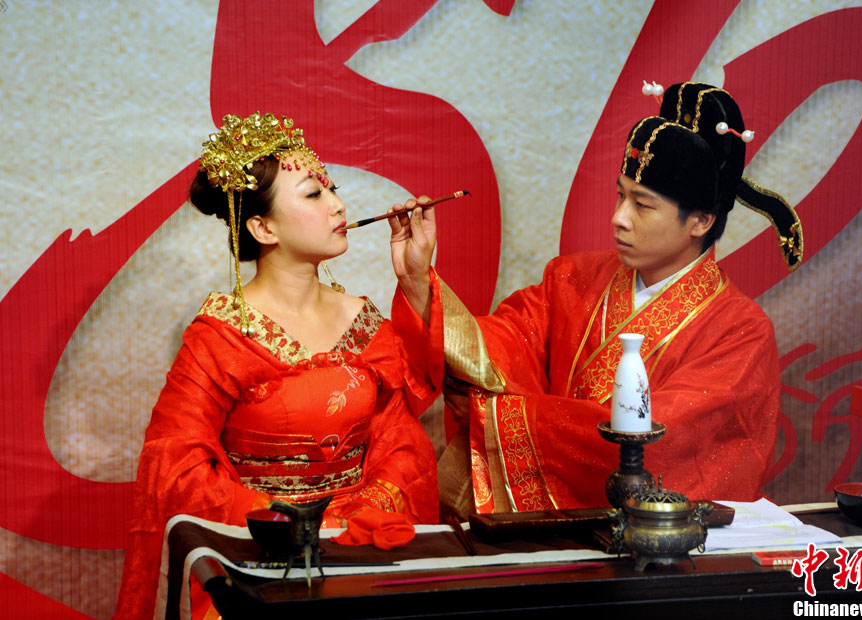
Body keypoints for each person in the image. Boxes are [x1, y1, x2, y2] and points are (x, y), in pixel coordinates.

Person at [400, 82, 804, 516]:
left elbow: (660, 443)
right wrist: (419, 281)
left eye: (642, 205)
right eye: (620, 195)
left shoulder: (740, 333)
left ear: (701, 221)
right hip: (547, 529)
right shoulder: (572, 279)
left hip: (658, 541)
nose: (619, 218)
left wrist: (501, 419)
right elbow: (500, 346)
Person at [113, 112, 442, 619]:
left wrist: (416, 281)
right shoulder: (221, 334)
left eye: (331, 189)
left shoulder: (362, 319)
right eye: (313, 194)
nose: (338, 205)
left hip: (358, 549)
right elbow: (175, 461)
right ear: (262, 227)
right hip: (261, 557)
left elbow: (401, 433)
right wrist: (282, 523)